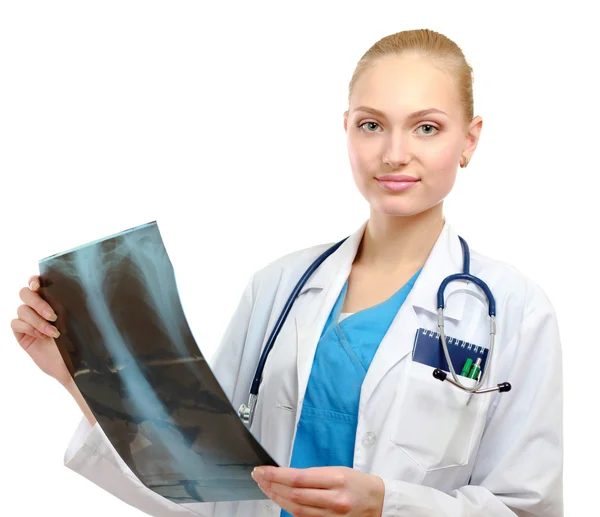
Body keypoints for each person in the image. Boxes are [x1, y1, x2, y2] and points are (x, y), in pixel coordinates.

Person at [11, 28, 563, 517]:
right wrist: (76, 374)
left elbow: (527, 508)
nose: (395, 153)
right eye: (372, 125)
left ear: (469, 139)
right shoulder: (278, 288)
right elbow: (200, 478)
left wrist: (386, 506)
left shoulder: (512, 309)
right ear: (347, 130)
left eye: (426, 128)